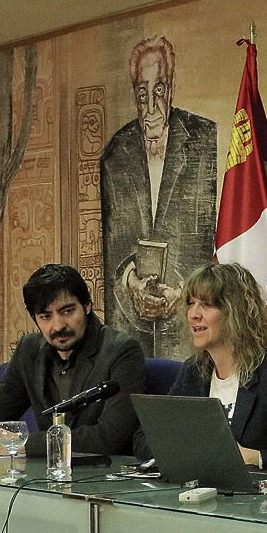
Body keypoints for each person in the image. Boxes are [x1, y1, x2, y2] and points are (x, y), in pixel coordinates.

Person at [133, 263, 267, 469]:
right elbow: (144, 437)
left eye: (206, 304)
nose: (193, 314)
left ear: (236, 312)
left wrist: (257, 458)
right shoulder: (194, 372)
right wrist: (187, 452)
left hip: (258, 497)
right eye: (190, 303)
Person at [101, 35, 218, 358]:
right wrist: (131, 283)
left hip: (194, 330)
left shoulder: (206, 139)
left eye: (159, 90)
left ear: (172, 85)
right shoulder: (117, 153)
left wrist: (183, 293)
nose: (151, 107)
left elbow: (215, 236)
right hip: (132, 332)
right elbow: (114, 246)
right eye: (142, 94)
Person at [0, 264, 146, 456]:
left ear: (87, 306)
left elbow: (110, 438)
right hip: (46, 476)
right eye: (45, 316)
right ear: (35, 319)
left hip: (103, 476)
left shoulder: (121, 351)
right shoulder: (29, 350)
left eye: (67, 311)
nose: (58, 326)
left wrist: (18, 444)